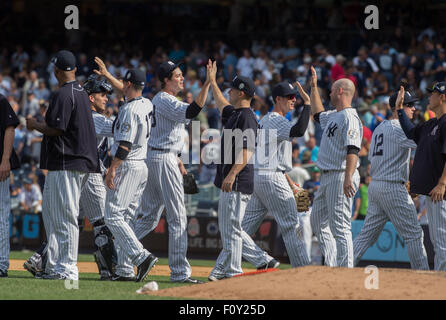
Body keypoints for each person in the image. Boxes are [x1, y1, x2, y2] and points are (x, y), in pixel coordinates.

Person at [23, 74, 119, 281]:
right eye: (102, 94)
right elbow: (122, 130)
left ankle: (42, 258)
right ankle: (108, 269)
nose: (106, 98)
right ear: (90, 97)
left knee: (67, 217)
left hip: (75, 169)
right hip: (90, 173)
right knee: (100, 223)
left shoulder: (77, 112)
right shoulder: (96, 118)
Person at [132, 60, 212, 284]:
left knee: (149, 217)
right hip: (162, 159)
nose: (181, 78)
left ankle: (119, 253)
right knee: (177, 218)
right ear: (165, 80)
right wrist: (207, 83)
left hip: (159, 156)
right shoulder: (164, 99)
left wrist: (177, 158)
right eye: (177, 75)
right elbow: (193, 110)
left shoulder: (162, 100)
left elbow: (171, 128)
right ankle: (179, 273)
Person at [93, 57, 158, 282]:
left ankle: (141, 257)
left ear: (128, 85)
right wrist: (108, 74)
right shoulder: (147, 103)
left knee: (112, 216)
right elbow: (127, 88)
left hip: (127, 164)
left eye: (123, 83)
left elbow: (124, 145)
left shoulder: (129, 111)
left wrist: (112, 169)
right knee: (127, 218)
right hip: (142, 165)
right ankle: (124, 269)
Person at [237, 81, 312, 274]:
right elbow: (300, 131)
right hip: (270, 179)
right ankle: (303, 270)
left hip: (261, 177)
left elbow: (273, 157)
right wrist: (308, 104)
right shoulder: (277, 120)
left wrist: (290, 183)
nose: (293, 100)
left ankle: (221, 268)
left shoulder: (266, 119)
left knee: (239, 229)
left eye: (295, 96)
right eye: (289, 97)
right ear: (277, 99)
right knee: (291, 226)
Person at [353, 89, 429, 270]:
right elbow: (423, 142)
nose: (413, 109)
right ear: (399, 107)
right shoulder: (399, 129)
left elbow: (372, 159)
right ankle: (424, 275)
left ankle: (342, 266)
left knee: (366, 236)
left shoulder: (379, 128)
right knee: (414, 234)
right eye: (410, 105)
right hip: (392, 186)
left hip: (377, 185)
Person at [205, 62, 259, 280]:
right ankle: (222, 271)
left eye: (233, 89)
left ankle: (233, 272)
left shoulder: (247, 116)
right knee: (228, 229)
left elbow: (248, 150)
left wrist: (232, 174)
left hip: (237, 180)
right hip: (231, 180)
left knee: (233, 229)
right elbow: (220, 103)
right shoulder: (236, 114)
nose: (229, 91)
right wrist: (211, 81)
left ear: (241, 92)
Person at [309, 66, 362, 268]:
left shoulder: (349, 116)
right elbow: (316, 114)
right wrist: (314, 87)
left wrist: (349, 176)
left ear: (340, 91)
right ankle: (331, 266)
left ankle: (345, 271)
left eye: (331, 90)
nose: (329, 93)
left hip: (341, 174)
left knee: (340, 227)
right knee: (317, 221)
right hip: (328, 176)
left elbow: (353, 149)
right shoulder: (334, 115)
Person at [398, 83, 446, 271]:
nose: (429, 97)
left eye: (432, 94)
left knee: (442, 241)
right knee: (438, 240)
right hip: (433, 193)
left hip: (441, 193)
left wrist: (442, 183)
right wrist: (400, 110)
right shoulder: (432, 123)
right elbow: (411, 132)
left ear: (442, 97)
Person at [0, 94, 20, 278]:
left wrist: (5, 159)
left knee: (1, 214)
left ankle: (0, 263)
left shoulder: (0, 100)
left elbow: (10, 128)